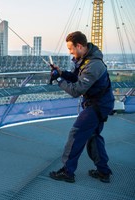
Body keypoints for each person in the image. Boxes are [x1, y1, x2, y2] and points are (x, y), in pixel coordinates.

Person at [49, 31, 114, 183]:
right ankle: (104, 172)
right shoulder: (87, 59)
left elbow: (76, 90)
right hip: (100, 103)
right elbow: (76, 78)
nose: (70, 52)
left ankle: (67, 172)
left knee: (76, 134)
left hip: (97, 105)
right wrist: (62, 73)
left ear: (79, 46)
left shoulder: (93, 65)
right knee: (93, 136)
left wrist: (58, 79)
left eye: (71, 49)